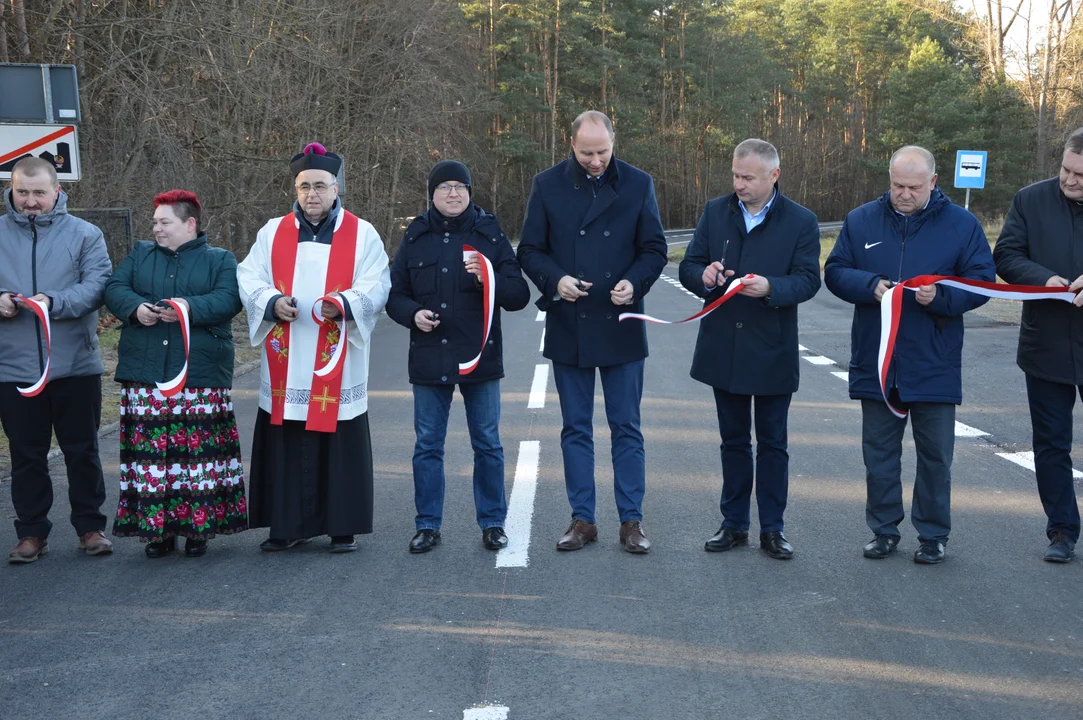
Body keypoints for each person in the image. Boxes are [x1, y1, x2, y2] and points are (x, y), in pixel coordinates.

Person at [824, 146, 995, 565]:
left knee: (935, 455)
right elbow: (835, 270)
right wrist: (870, 286)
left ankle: (933, 535)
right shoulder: (861, 219)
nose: (904, 194)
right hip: (876, 359)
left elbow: (982, 281)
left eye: (914, 187)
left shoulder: (962, 225)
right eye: (897, 185)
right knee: (879, 453)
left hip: (933, 359)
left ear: (933, 183)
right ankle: (883, 531)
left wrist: (941, 296)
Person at [517, 110, 667, 554]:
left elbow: (654, 249)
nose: (596, 160)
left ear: (613, 143)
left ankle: (631, 521)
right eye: (587, 153)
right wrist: (555, 279)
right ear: (572, 146)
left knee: (627, 427)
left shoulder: (639, 183)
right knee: (575, 428)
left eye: (603, 151)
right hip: (571, 321)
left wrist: (635, 283)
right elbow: (530, 249)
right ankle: (582, 519)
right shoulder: (547, 185)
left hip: (621, 320)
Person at [237, 142, 390, 554]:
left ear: (336, 188)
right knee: (287, 437)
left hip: (336, 357)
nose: (312, 194)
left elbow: (378, 284)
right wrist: (271, 301)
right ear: (296, 188)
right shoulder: (272, 231)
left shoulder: (362, 233)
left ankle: (342, 527)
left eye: (320, 185)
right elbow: (249, 276)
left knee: (338, 437)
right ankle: (287, 526)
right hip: (287, 359)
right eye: (304, 186)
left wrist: (342, 305)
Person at [678, 139, 821, 560]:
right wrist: (703, 275)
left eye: (748, 178)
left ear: (774, 175)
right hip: (724, 347)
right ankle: (734, 524)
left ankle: (773, 530)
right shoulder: (714, 211)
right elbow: (689, 265)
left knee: (773, 443)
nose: (739, 184)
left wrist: (772, 288)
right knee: (733, 441)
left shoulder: (801, 220)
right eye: (736, 176)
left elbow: (809, 280)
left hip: (772, 349)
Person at [386, 160, 530, 553]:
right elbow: (394, 295)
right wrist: (413, 314)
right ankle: (428, 525)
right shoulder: (415, 236)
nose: (454, 193)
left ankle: (493, 523)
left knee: (487, 444)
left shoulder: (490, 233)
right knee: (428, 446)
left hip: (480, 359)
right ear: (432, 194)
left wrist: (490, 280)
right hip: (430, 359)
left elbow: (519, 296)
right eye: (445, 187)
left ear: (470, 191)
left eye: (460, 186)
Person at [104, 190, 247, 558]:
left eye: (164, 222)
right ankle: (158, 531)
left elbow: (229, 299)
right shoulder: (140, 255)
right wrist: (136, 308)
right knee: (153, 458)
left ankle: (198, 530)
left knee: (196, 459)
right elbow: (114, 289)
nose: (157, 229)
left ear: (189, 223)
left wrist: (187, 307)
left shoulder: (221, 259)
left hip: (199, 374)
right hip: (146, 372)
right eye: (155, 222)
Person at [0, 157, 113, 564]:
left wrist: (54, 302)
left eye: (39, 193)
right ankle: (31, 533)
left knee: (81, 449)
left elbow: (98, 285)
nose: (30, 201)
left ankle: (90, 527)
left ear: (57, 191)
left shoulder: (86, 234)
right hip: (13, 367)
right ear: (12, 190)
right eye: (23, 192)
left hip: (74, 365)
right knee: (25, 453)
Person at [993, 127, 1083, 563]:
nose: (1070, 180)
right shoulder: (1030, 199)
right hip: (1045, 343)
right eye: (1066, 169)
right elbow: (1007, 254)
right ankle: (1062, 531)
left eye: (1081, 175)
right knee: (1050, 443)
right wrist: (1042, 280)